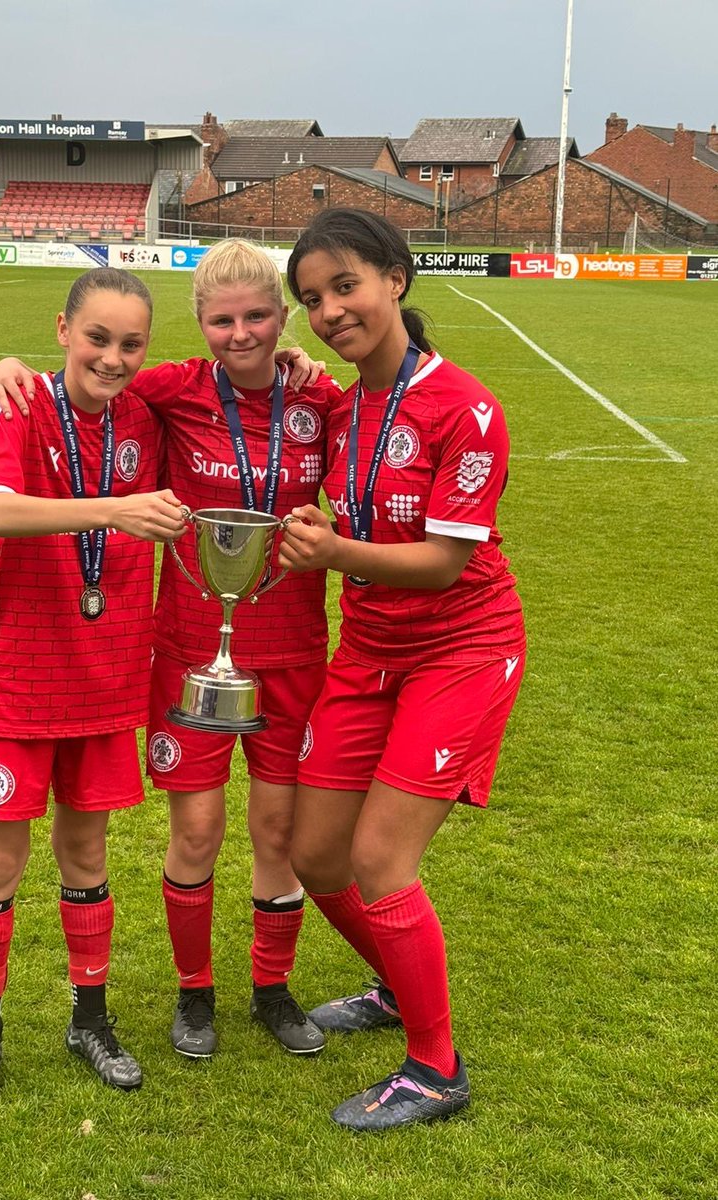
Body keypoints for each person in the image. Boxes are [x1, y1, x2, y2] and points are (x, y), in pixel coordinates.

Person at [0, 241, 341, 1060]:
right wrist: (8, 366)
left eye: (258, 317)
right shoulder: (171, 388)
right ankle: (194, 994)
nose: (241, 334)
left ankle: (273, 989)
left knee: (278, 831)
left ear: (283, 317)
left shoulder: (318, 400)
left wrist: (310, 373)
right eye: (223, 320)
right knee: (198, 832)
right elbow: (83, 382)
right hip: (187, 649)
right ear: (200, 324)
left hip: (292, 648)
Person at [278, 209, 526, 1131]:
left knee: (381, 860)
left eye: (345, 286)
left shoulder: (466, 408)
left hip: (463, 647)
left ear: (396, 278)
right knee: (315, 854)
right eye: (313, 300)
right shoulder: (344, 405)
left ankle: (435, 1068)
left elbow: (446, 562)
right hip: (370, 649)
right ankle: (395, 984)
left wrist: (334, 553)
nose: (330, 312)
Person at [0, 267, 187, 1116]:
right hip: (18, 677)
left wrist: (296, 361)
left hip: (106, 677)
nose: (112, 358)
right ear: (62, 330)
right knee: (0, 862)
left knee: (87, 856)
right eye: (96, 338)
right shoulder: (20, 404)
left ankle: (89, 1021)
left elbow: (229, 381)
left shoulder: (146, 414)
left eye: (131, 344)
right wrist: (112, 510)